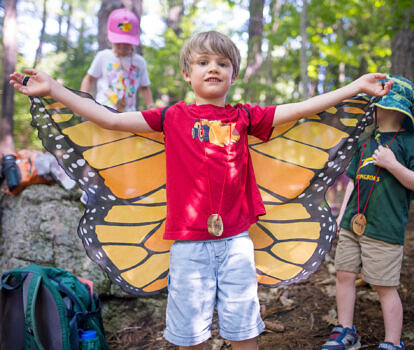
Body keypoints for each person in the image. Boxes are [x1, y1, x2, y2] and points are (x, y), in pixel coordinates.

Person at [10, 31, 392, 350]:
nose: (213, 68)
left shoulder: (244, 117)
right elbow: (109, 119)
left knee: (244, 329)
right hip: (188, 247)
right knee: (189, 334)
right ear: (187, 74)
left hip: (238, 244)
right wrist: (55, 89)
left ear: (232, 74)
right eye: (203, 62)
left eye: (222, 63)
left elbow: (300, 109)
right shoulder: (171, 117)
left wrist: (353, 88)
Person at [321, 75, 414, 350]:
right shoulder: (367, 141)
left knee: (384, 285)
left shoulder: (409, 142)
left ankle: (392, 342)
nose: (383, 110)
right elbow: (353, 182)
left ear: (402, 112)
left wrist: (393, 165)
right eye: (380, 104)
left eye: (389, 106)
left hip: (385, 226)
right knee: (344, 274)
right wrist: (340, 216)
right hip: (352, 224)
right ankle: (345, 329)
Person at [80, 8, 154, 112]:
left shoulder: (139, 62)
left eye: (127, 42)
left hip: (128, 116)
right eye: (119, 41)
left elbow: (145, 87)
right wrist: (83, 101)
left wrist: (151, 108)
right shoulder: (103, 56)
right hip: (102, 112)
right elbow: (89, 79)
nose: (123, 45)